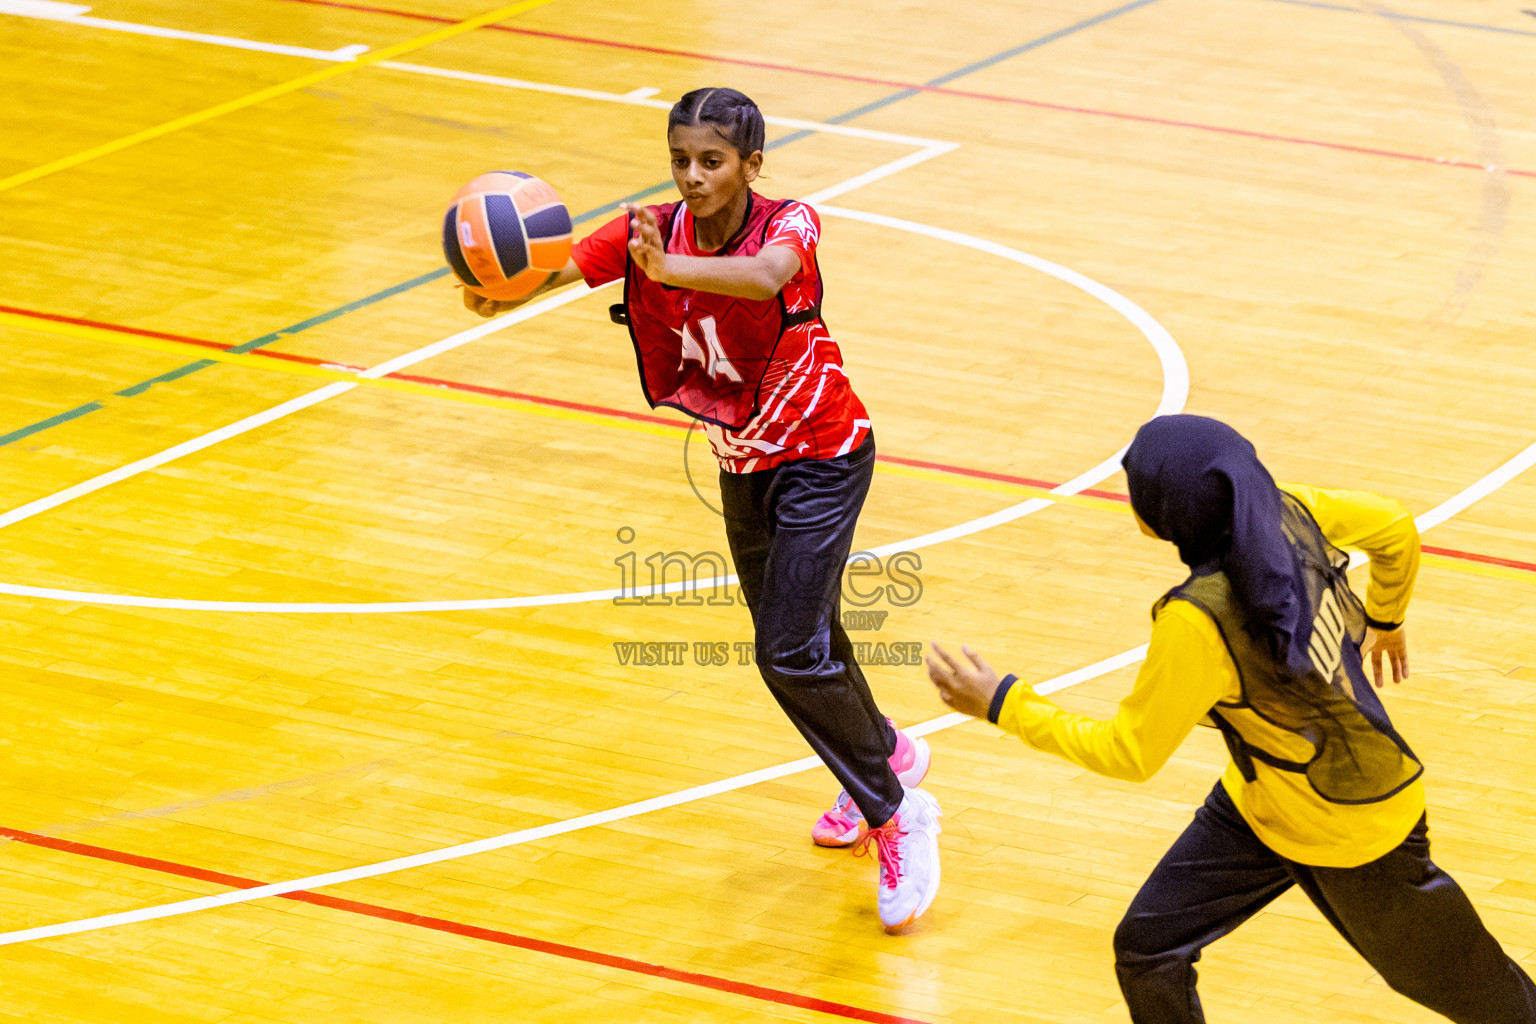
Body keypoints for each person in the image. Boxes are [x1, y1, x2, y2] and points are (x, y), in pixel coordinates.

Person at [462, 86, 940, 933]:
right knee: (811, 642)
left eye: (712, 162)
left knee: (787, 651)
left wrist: (666, 270)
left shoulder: (788, 225)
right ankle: (885, 749)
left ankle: (896, 809)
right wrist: (499, 287)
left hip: (824, 457)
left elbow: (764, 279)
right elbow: (558, 267)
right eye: (680, 159)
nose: (692, 177)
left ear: (751, 166)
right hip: (741, 466)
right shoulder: (652, 229)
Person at [925, 414, 1536, 1021]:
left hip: (1355, 828)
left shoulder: (1197, 624)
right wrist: (1387, 617)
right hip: (1264, 797)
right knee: (1147, 949)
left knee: (1488, 1001)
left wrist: (1002, 701)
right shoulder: (1292, 512)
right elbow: (1395, 526)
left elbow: (1128, 753)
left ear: (1163, 518)